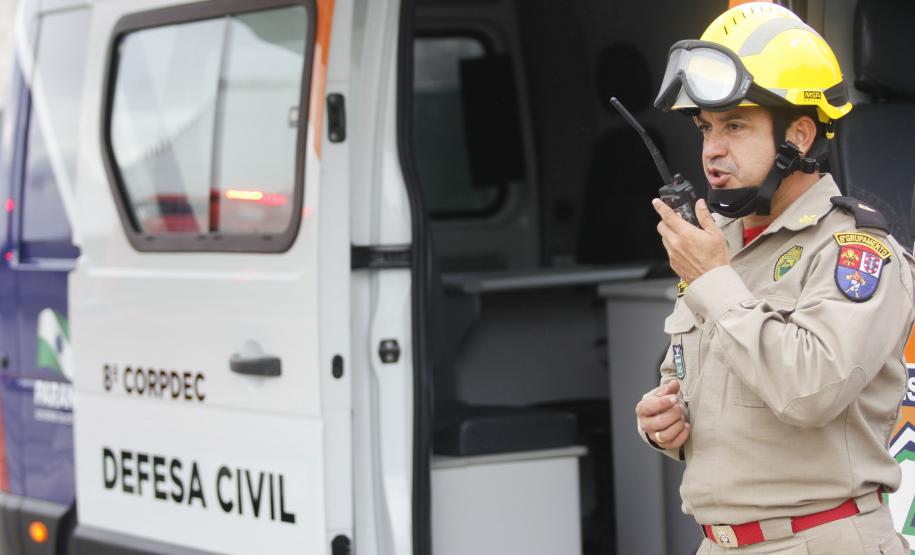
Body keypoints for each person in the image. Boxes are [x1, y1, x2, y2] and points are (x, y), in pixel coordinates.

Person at [634, 3, 915, 554]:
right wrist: (663, 422)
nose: (712, 148)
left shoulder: (856, 251)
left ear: (801, 135)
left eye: (735, 126)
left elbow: (809, 391)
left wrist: (712, 278)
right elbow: (697, 385)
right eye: (706, 128)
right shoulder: (725, 246)